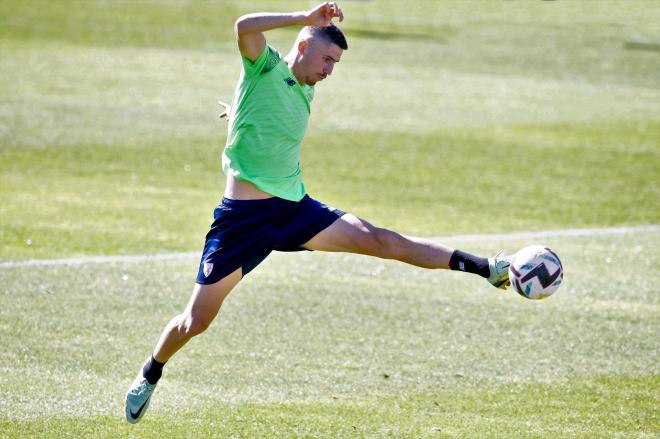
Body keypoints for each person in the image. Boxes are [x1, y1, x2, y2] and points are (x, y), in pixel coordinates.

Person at [125, 2, 512, 424]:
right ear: (305, 45)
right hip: (242, 223)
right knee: (195, 322)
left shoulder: (305, 88)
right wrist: (304, 17)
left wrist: (240, 113)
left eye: (336, 64)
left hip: (295, 210)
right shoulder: (266, 67)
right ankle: (151, 372)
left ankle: (487, 268)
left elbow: (269, 114)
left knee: (381, 240)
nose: (330, 70)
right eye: (327, 59)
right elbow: (244, 27)